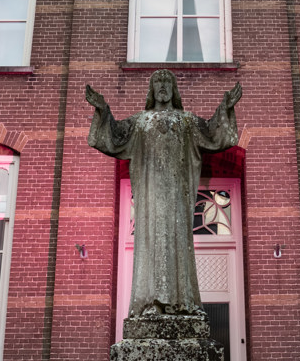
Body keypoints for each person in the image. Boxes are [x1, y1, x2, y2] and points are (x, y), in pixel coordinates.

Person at [86, 70, 241, 316]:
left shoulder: (186, 122)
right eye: (157, 81)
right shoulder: (141, 122)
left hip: (178, 197)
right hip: (150, 196)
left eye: (167, 82)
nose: (162, 86)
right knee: (151, 242)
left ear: (174, 89)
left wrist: (226, 107)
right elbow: (114, 136)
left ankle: (184, 302)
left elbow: (213, 133)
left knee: (179, 242)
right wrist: (102, 109)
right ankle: (151, 302)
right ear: (151, 89)